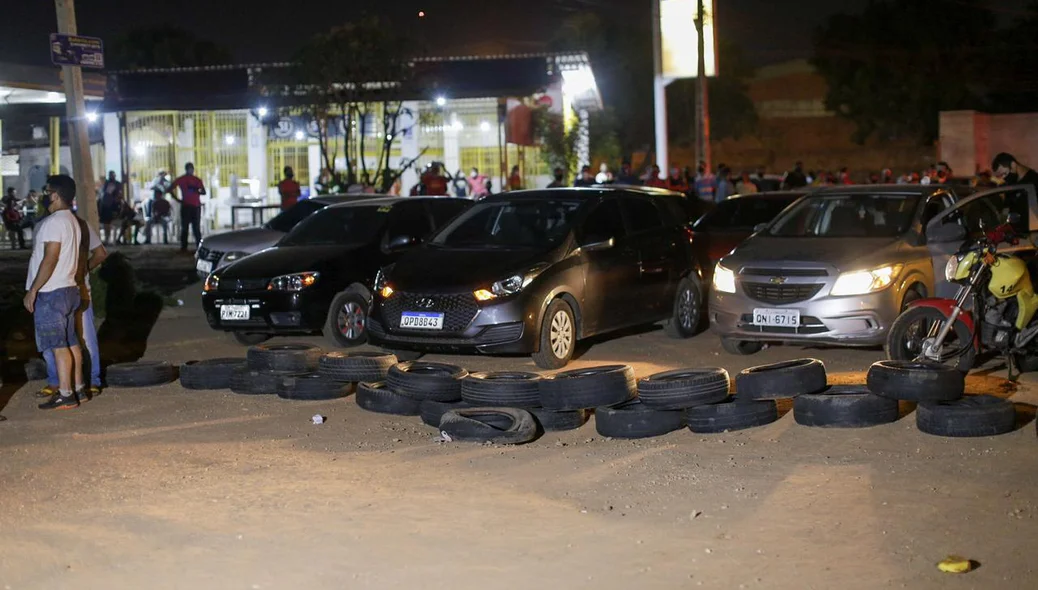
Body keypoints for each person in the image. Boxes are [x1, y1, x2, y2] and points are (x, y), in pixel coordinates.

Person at [25, 174, 84, 410]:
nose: (44, 196)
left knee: (58, 346)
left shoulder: (53, 223)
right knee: (71, 344)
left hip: (52, 293)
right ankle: (79, 388)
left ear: (56, 195)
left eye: (47, 191)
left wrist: (33, 290)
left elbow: (50, 259)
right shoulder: (72, 221)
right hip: (68, 288)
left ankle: (66, 394)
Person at [39, 218, 106, 400]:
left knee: (75, 340)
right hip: (60, 290)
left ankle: (85, 381)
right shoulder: (51, 225)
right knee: (64, 341)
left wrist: (82, 271)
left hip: (68, 290)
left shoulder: (79, 225)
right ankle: (69, 383)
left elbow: (100, 253)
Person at [169, 162, 206, 253]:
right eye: (190, 169)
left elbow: (204, 192)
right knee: (186, 227)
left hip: (194, 206)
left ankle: (197, 246)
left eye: (191, 169)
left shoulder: (196, 180)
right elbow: (169, 189)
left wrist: (196, 191)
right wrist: (177, 200)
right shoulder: (183, 179)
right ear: (188, 169)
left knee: (195, 228)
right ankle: (185, 246)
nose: (191, 170)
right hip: (188, 206)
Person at [99, 171, 123, 244]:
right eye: (110, 175)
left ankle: (108, 238)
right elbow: (104, 193)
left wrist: (115, 198)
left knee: (108, 220)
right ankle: (107, 238)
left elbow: (119, 195)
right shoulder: (106, 183)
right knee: (105, 221)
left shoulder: (118, 184)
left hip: (113, 206)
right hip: (106, 205)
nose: (111, 176)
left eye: (112, 175)